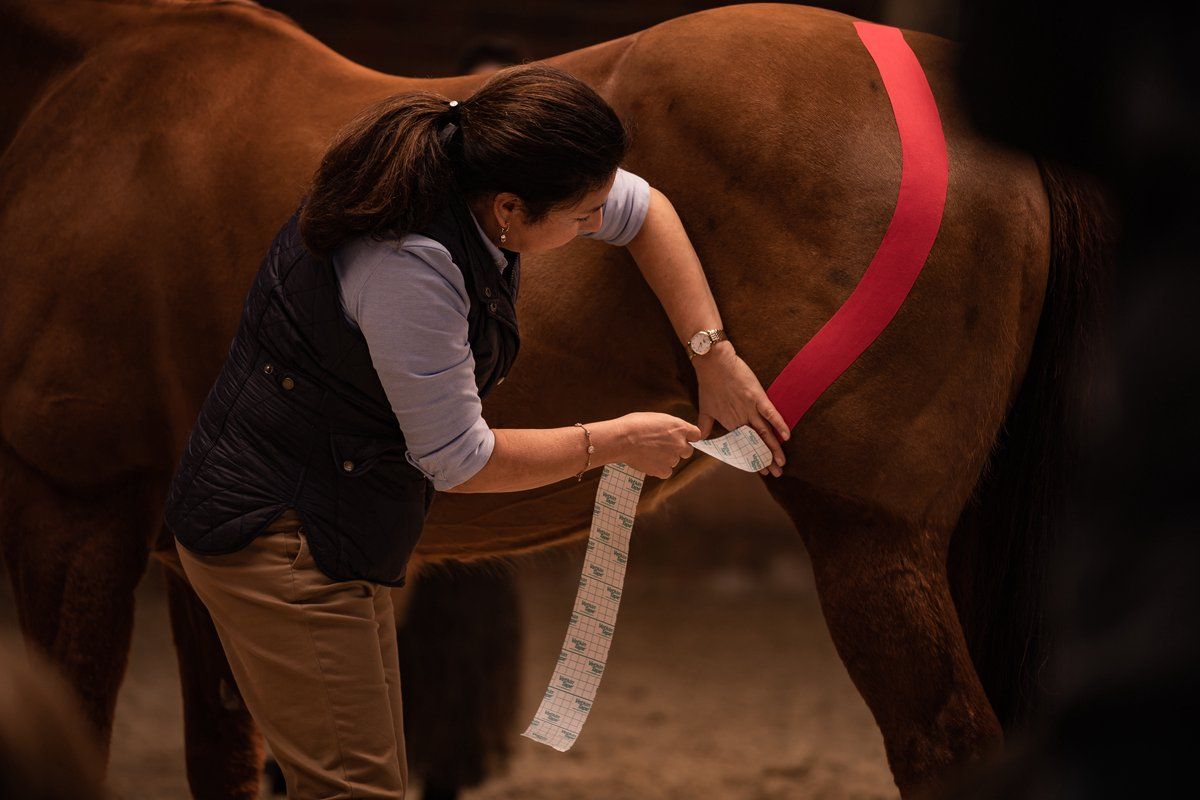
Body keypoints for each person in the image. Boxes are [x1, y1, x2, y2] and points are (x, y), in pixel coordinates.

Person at [162, 63, 790, 798]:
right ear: (509, 210)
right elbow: (459, 460)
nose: (597, 223)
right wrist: (613, 441)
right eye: (582, 216)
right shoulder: (410, 268)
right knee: (355, 789)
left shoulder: (478, 169)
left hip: (339, 518)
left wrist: (711, 352)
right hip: (279, 530)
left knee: (359, 780)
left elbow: (646, 209)